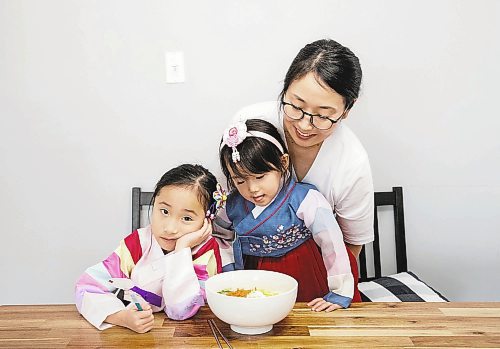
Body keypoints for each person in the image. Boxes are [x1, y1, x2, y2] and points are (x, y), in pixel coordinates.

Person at [228, 39, 374, 299]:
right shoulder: (249, 126)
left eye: (324, 115)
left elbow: (352, 244)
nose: (305, 125)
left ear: (347, 110)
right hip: (255, 275)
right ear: (284, 90)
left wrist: (333, 288)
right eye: (296, 106)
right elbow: (229, 198)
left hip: (316, 275)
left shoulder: (352, 162)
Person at [219, 118, 354, 312]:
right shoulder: (232, 204)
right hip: (255, 273)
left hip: (304, 269)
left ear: (282, 163)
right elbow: (221, 236)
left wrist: (340, 290)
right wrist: (230, 273)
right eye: (240, 180)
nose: (252, 189)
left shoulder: (306, 199)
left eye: (260, 176)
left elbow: (331, 242)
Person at [75, 164, 225, 332]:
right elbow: (87, 287)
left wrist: (182, 250)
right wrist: (120, 316)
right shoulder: (138, 242)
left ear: (207, 221)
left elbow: (180, 311)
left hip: (186, 337)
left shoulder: (206, 252)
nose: (169, 228)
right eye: (164, 211)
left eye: (187, 218)